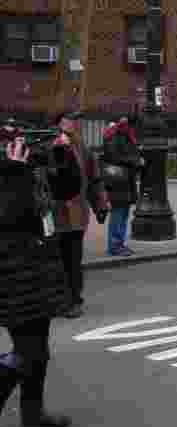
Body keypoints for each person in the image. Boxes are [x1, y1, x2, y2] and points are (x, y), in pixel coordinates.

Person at [0, 125, 81, 427]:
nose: (21, 147)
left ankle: (33, 411)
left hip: (38, 269)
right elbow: (11, 215)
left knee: (39, 349)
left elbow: (68, 189)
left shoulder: (30, 170)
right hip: (10, 273)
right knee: (27, 352)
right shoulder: (11, 174)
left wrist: (62, 153)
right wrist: (15, 170)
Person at [52, 111, 109, 319]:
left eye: (74, 120)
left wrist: (100, 204)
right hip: (52, 214)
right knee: (54, 259)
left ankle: (73, 300)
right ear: (58, 123)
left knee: (73, 259)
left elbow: (94, 178)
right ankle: (58, 299)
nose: (72, 124)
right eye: (67, 120)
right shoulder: (48, 144)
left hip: (76, 214)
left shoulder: (81, 147)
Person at [102, 114, 142, 257]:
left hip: (124, 180)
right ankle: (114, 245)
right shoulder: (116, 136)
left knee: (122, 213)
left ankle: (119, 243)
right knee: (118, 213)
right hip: (118, 181)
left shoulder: (124, 136)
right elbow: (114, 156)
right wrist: (134, 161)